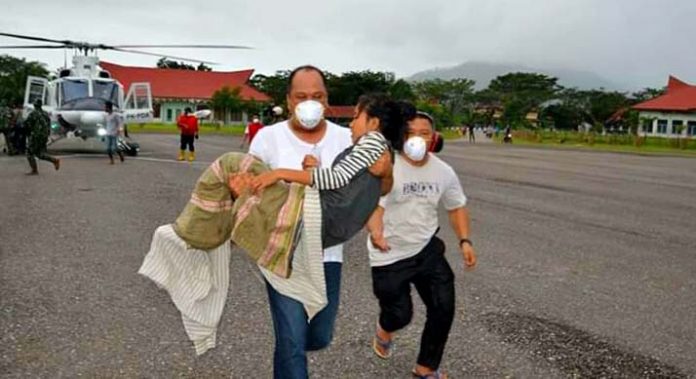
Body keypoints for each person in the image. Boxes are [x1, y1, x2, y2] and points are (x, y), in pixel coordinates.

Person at [247, 65, 352, 379]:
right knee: (292, 338)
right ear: (289, 100)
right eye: (302, 96)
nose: (310, 102)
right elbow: (252, 189)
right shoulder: (268, 139)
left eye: (317, 96)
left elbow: (368, 188)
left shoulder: (346, 139)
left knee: (318, 335)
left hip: (328, 254)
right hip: (283, 254)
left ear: (327, 99)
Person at [366, 112, 477, 379]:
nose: (417, 138)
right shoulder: (386, 166)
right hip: (389, 254)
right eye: (410, 132)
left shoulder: (443, 171)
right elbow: (375, 206)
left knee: (443, 307)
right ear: (400, 137)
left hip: (426, 249)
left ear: (434, 138)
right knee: (400, 315)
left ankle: (426, 368)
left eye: (424, 133)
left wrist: (465, 240)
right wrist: (376, 232)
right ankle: (385, 327)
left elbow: (456, 206)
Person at [25, 100, 60, 175]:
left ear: (34, 105)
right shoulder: (45, 114)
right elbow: (49, 124)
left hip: (35, 135)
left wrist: (28, 133)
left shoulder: (33, 114)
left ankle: (34, 170)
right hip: (44, 136)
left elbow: (27, 124)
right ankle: (54, 160)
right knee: (39, 154)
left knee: (29, 152)